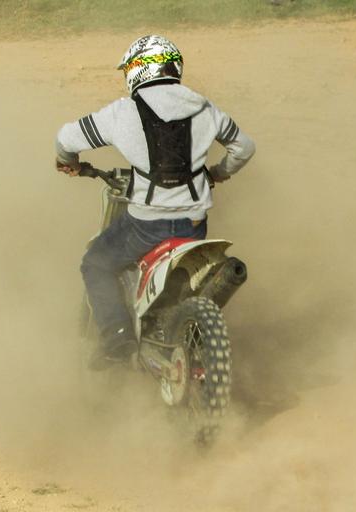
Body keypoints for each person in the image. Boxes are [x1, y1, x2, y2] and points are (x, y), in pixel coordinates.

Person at [55, 34, 255, 369]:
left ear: (137, 69)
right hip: (194, 225)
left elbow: (65, 139)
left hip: (146, 225)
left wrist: (69, 163)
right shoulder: (204, 107)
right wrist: (218, 173)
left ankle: (118, 335)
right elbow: (244, 148)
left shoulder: (123, 112)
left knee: (96, 262)